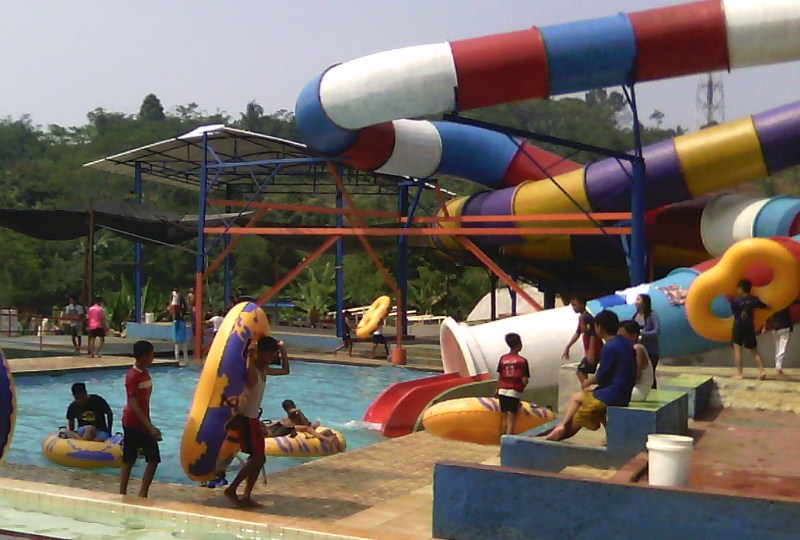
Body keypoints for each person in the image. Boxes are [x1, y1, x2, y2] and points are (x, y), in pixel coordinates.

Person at [546, 310, 636, 442]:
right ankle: (608, 436)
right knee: (580, 398)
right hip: (624, 393)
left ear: (599, 327)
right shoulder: (625, 343)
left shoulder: (610, 347)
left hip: (612, 396)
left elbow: (602, 376)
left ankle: (559, 430)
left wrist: (587, 382)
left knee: (578, 415)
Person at [224, 336, 289, 508]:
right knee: (257, 457)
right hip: (245, 419)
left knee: (260, 459)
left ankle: (246, 495)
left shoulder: (264, 370)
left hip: (253, 419)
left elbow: (285, 370)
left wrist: (282, 348)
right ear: (261, 353)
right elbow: (249, 375)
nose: (271, 358)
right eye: (270, 354)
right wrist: (251, 354)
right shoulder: (252, 369)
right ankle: (232, 490)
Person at [120, 340, 161, 498]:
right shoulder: (133, 376)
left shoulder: (145, 373)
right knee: (129, 459)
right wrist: (149, 427)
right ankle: (122, 492)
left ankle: (143, 492)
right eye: (151, 355)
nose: (153, 357)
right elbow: (134, 404)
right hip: (132, 422)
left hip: (144, 422)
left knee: (153, 459)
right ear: (143, 356)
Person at [271, 399, 345, 453]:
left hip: (305, 430)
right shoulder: (294, 414)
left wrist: (298, 412)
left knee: (327, 431)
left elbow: (305, 425)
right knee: (320, 430)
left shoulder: (293, 414)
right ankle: (338, 448)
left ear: (284, 409)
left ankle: (339, 448)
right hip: (305, 430)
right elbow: (305, 424)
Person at [730, 279, 769, 380]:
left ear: (741, 289)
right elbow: (765, 306)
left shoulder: (736, 301)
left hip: (738, 326)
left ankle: (739, 374)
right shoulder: (754, 300)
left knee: (738, 350)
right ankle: (762, 371)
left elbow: (734, 312)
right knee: (754, 349)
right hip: (749, 326)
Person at [561, 296, 602, 387]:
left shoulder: (588, 318)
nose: (573, 308)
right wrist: (568, 346)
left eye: (575, 305)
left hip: (595, 349)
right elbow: (578, 332)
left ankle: (587, 389)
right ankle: (587, 389)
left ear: (582, 304)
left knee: (581, 371)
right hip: (588, 349)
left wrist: (591, 351)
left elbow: (593, 334)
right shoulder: (581, 318)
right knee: (582, 371)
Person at [496, 333, 530, 436]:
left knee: (504, 420)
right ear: (519, 344)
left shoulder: (503, 358)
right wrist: (522, 387)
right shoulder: (522, 361)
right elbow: (525, 380)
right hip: (514, 392)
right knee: (511, 421)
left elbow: (500, 375)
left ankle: (501, 443)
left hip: (502, 390)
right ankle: (508, 445)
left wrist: (498, 388)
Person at [619, 321, 654, 402]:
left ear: (634, 336)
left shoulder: (637, 349)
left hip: (638, 390)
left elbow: (635, 376)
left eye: (623, 337)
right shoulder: (628, 349)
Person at [634, 293, 660, 388]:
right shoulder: (635, 316)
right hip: (639, 351)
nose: (635, 302)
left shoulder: (652, 315)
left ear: (644, 302)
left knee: (651, 373)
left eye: (638, 299)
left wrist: (643, 334)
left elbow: (656, 331)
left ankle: (653, 392)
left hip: (651, 351)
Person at [768, 306, 793, 377]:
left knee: (777, 347)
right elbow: (788, 317)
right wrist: (791, 327)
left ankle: (778, 366)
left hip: (775, 327)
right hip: (784, 327)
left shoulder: (774, 305)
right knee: (782, 348)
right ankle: (778, 367)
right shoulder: (785, 305)